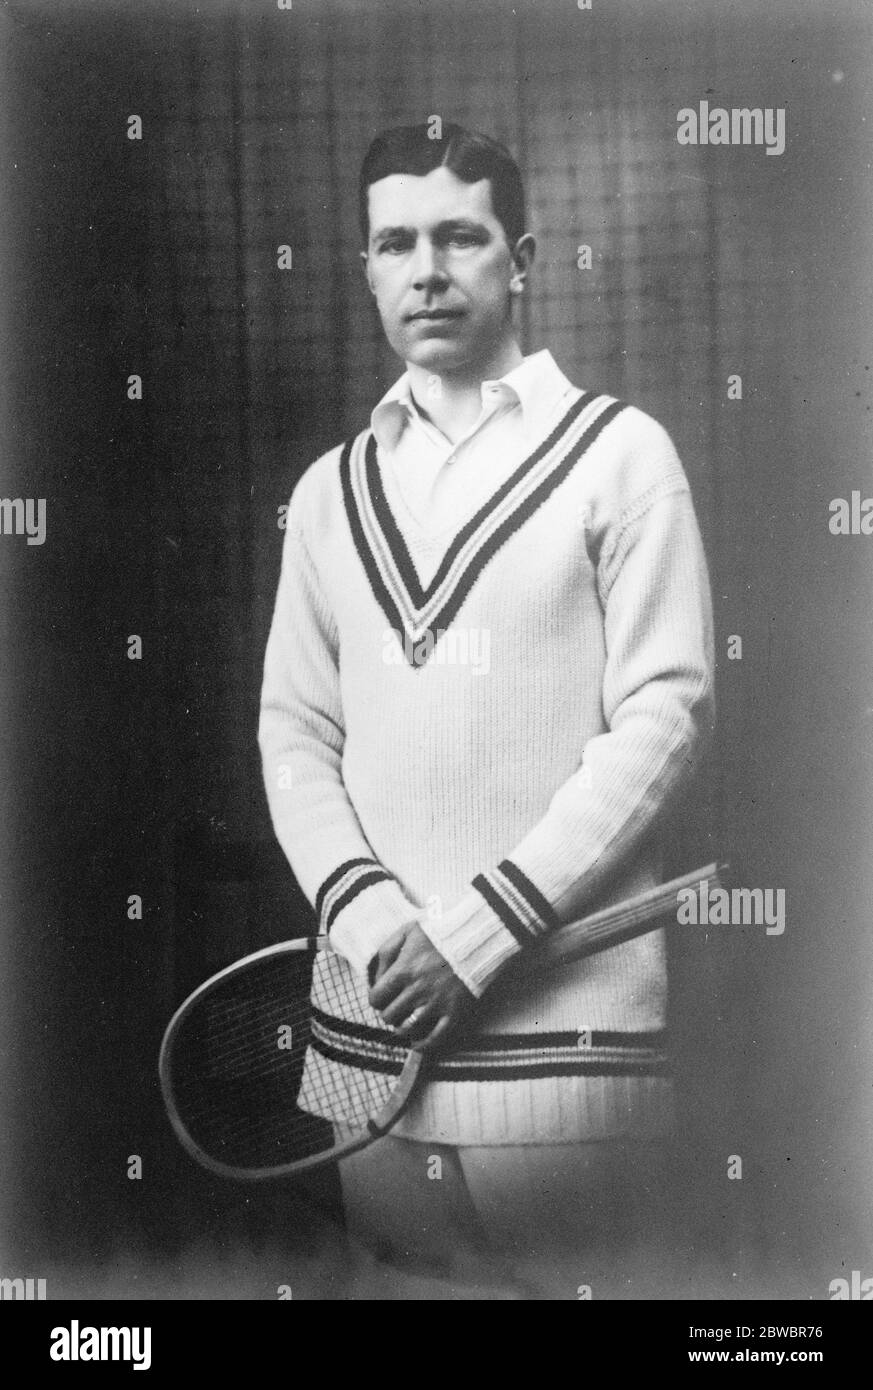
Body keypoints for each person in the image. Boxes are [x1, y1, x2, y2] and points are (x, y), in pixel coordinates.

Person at [258, 122, 714, 1297]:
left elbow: (664, 717)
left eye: (459, 236)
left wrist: (472, 937)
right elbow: (295, 733)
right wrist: (370, 926)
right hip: (367, 1052)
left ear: (520, 257)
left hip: (564, 1056)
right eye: (395, 242)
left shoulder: (622, 457)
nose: (428, 269)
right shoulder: (328, 494)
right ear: (363, 270)